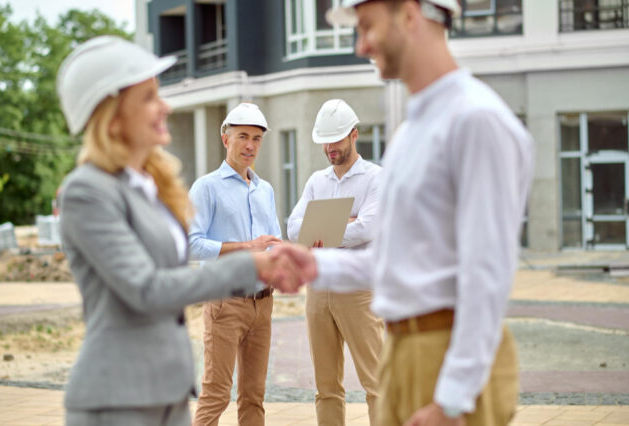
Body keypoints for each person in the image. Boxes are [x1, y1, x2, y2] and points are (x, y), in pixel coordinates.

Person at [274, 1, 535, 425]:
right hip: (403, 351)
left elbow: (487, 272)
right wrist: (315, 265)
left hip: (442, 354)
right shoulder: (412, 133)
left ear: (410, 15)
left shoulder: (477, 121)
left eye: (366, 26)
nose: (360, 46)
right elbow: (396, 260)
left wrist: (452, 401)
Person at [56, 36, 299, 426]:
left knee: (254, 396)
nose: (164, 105)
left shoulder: (149, 186)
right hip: (116, 398)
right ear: (112, 113)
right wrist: (251, 265)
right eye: (149, 97)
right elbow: (146, 289)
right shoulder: (87, 192)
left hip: (165, 390)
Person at [286, 99, 384, 426]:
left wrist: (322, 230)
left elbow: (368, 228)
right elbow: (293, 227)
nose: (330, 147)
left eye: (337, 139)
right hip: (318, 292)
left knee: (377, 383)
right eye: (325, 141)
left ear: (354, 135)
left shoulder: (375, 179)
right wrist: (346, 222)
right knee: (326, 387)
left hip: (358, 292)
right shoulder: (317, 181)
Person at [189, 103, 282, 426]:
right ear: (225, 138)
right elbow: (190, 244)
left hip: (263, 304)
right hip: (225, 304)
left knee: (254, 397)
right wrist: (245, 247)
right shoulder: (207, 187)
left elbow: (273, 244)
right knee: (216, 394)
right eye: (243, 136)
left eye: (257, 139)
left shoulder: (265, 190)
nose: (250, 146)